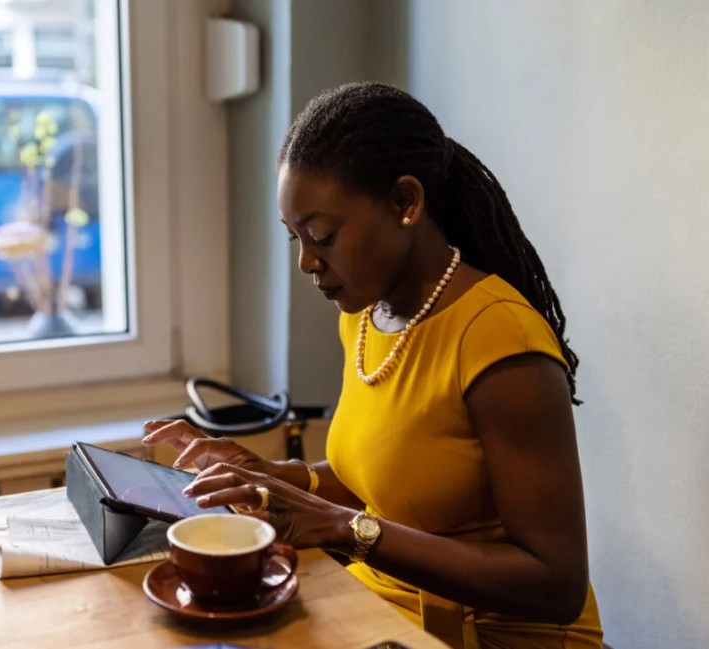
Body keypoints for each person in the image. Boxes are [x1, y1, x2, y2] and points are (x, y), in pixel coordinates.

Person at [142, 81, 603, 649]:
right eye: (295, 239)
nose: (308, 262)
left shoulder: (501, 341)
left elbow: (554, 583)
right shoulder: (367, 314)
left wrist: (342, 530)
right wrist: (266, 477)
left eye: (323, 236)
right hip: (380, 612)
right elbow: (387, 483)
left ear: (406, 203)